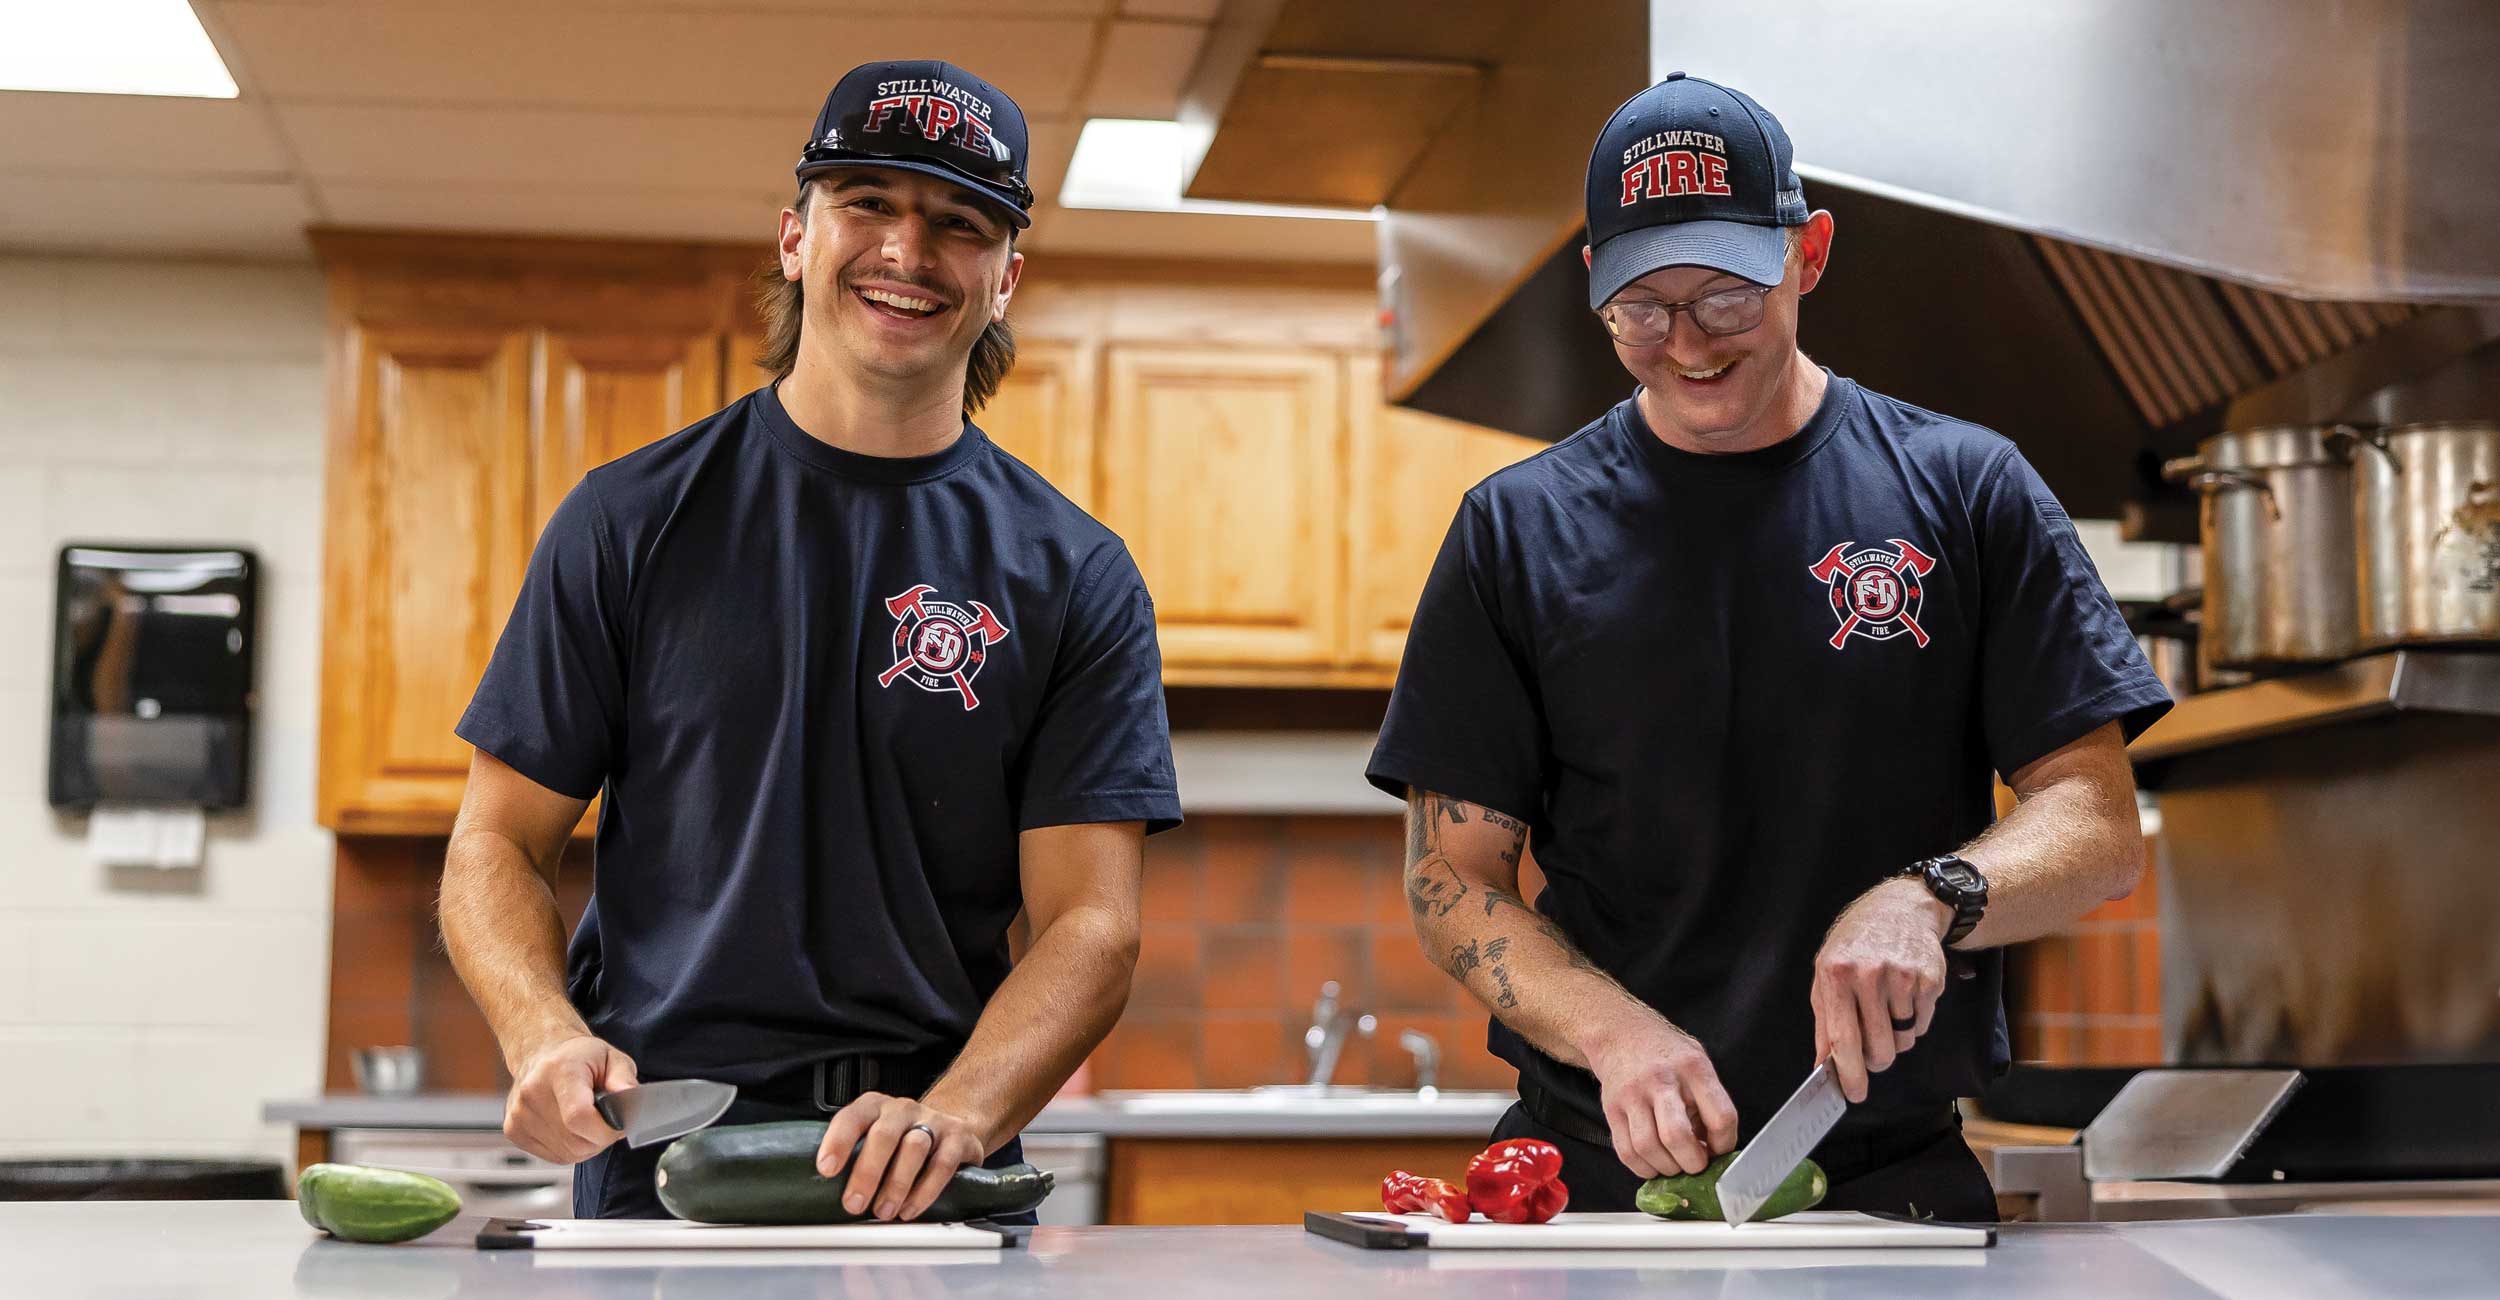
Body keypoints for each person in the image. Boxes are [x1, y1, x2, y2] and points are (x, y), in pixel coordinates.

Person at [1366, 72, 2171, 1221]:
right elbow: (1453, 875)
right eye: (1642, 307)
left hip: (1891, 1184)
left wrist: (1927, 896)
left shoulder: (1964, 488)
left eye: (1727, 297)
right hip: (1591, 1182)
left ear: (1810, 253)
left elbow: (2096, 822)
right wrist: (1613, 1031)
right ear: (1593, 281)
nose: (1686, 344)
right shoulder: (1517, 529)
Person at [439, 59, 1180, 1222]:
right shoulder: (628, 520)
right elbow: (495, 842)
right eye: (868, 204)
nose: (907, 251)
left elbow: (1091, 922)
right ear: (796, 235)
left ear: (1005, 278)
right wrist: (542, 1033)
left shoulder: (1072, 571)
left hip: (928, 1159)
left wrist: (960, 1112)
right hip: (662, 1158)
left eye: (958, 222)